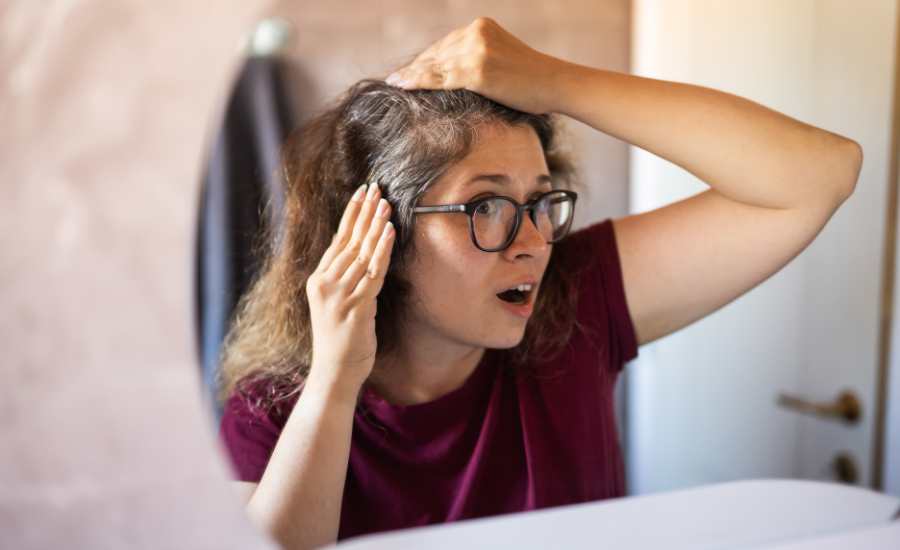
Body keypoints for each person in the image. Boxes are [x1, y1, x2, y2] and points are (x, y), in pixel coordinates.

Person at [216, 17, 862, 550]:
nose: (533, 243)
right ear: (381, 237)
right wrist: (334, 381)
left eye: (541, 202)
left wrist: (557, 82)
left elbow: (819, 175)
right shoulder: (274, 409)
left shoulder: (573, 304)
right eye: (488, 207)